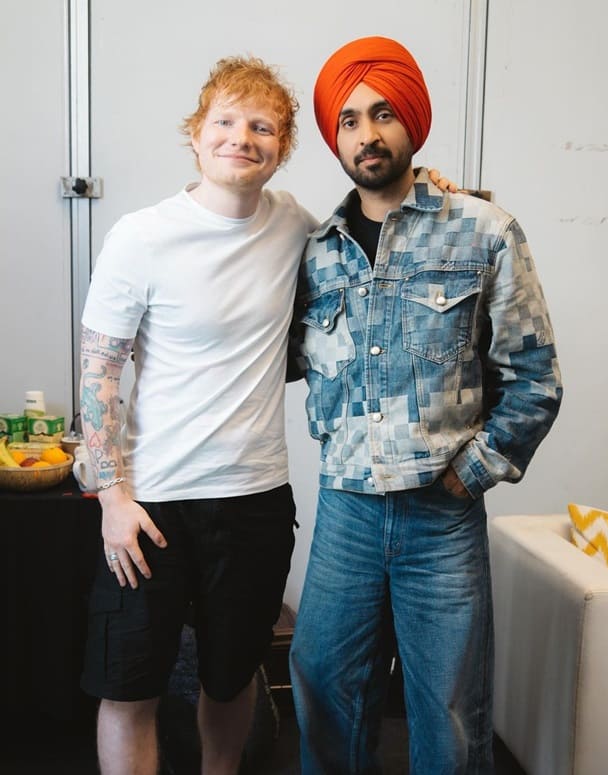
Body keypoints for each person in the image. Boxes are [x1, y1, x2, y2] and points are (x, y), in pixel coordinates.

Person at [289, 36, 563, 774]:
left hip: (440, 516)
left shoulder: (483, 231)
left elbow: (535, 376)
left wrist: (467, 473)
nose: (366, 134)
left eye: (382, 114)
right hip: (345, 509)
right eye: (347, 120)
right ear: (333, 136)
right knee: (321, 688)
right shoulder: (316, 251)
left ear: (412, 120)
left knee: (448, 711)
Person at [78, 56, 317, 775]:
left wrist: (436, 189)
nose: (241, 136)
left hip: (255, 500)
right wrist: (112, 497)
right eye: (225, 120)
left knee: (231, 675)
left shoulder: (295, 226)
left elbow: (375, 224)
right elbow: (99, 375)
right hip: (151, 504)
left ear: (280, 148)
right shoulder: (141, 236)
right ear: (196, 134)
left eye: (261, 125)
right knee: (130, 686)